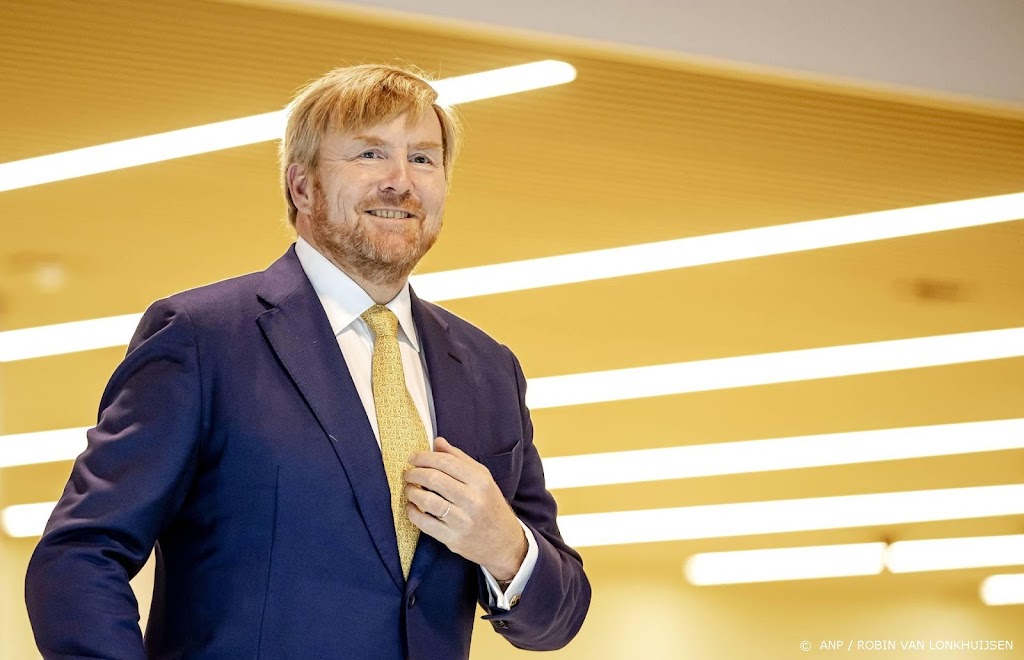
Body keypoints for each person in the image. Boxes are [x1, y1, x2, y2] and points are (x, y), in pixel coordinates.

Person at [24, 64, 590, 659]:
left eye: (423, 158)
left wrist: (505, 547)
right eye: (370, 154)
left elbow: (557, 619)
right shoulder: (203, 338)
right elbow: (79, 558)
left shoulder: (487, 369)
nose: (401, 181)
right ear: (302, 186)